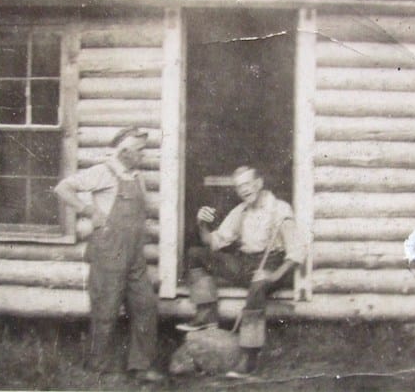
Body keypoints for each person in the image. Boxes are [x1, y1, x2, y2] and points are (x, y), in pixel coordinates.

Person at [54, 127, 164, 383]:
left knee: (145, 305)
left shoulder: (137, 177)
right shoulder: (103, 171)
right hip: (108, 252)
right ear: (124, 152)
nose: (143, 155)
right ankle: (99, 369)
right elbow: (63, 188)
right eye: (139, 151)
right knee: (106, 310)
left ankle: (141, 366)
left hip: (134, 255)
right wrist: (89, 210)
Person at [176, 166, 305, 377]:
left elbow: (297, 251)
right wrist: (201, 224)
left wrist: (272, 276)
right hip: (246, 263)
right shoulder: (241, 210)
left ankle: (249, 356)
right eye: (238, 187)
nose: (243, 190)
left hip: (273, 265)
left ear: (259, 183)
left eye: (246, 184)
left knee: (257, 287)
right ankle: (206, 313)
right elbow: (214, 242)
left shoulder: (279, 209)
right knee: (196, 254)